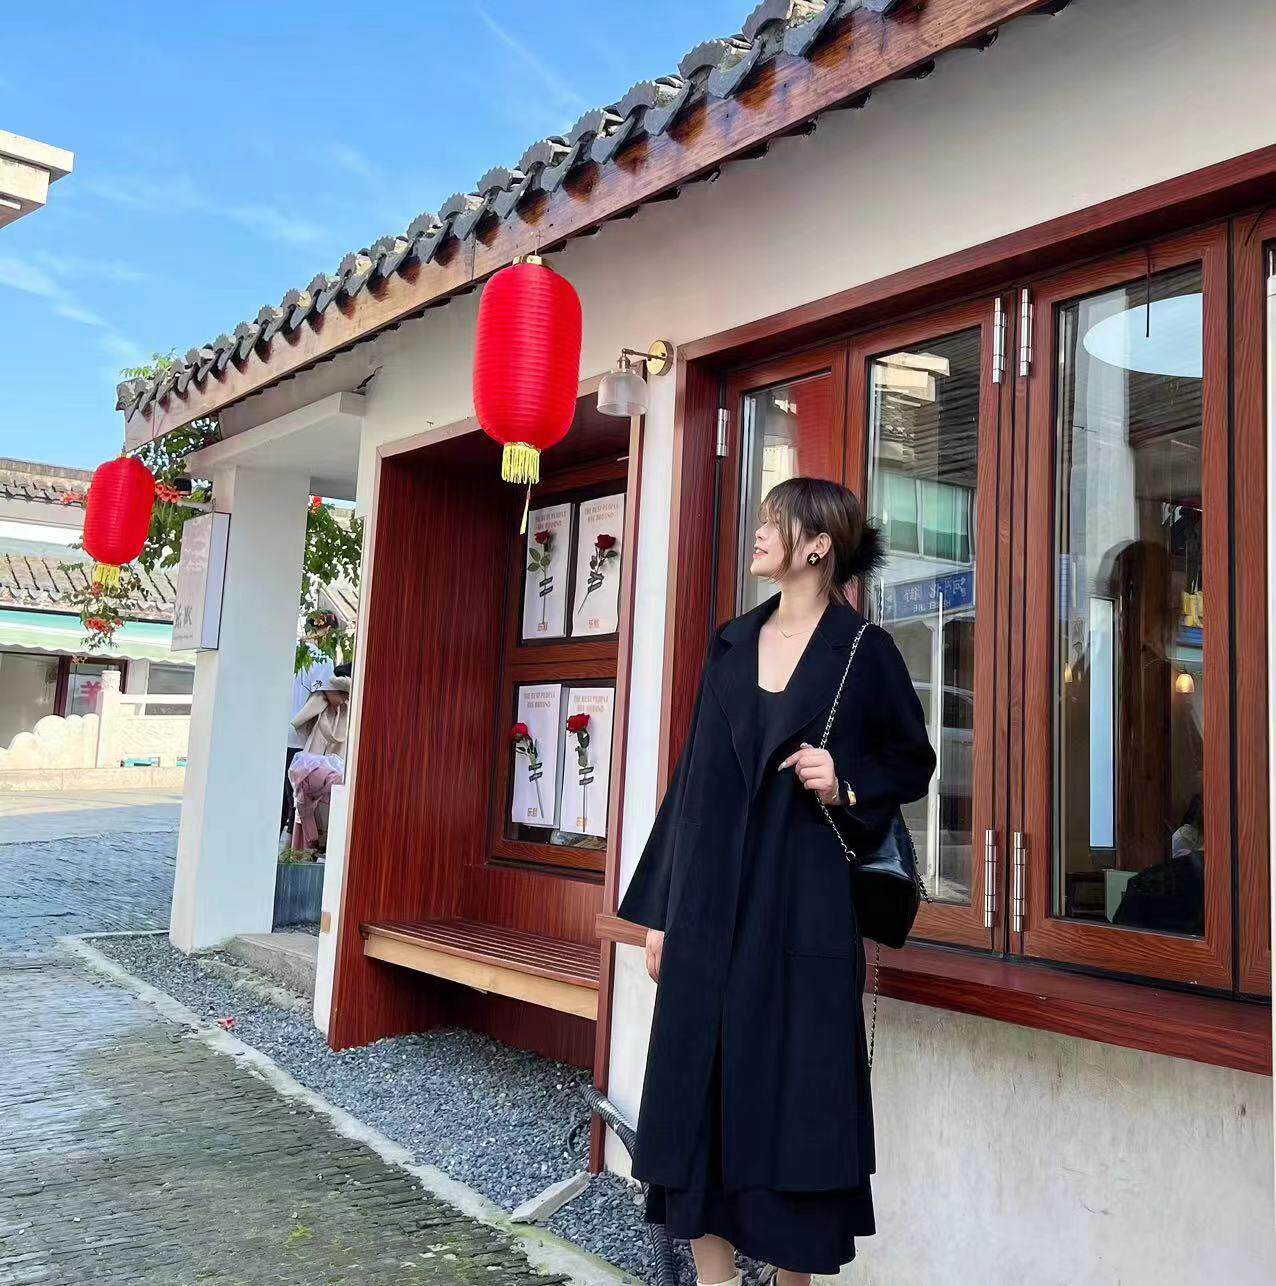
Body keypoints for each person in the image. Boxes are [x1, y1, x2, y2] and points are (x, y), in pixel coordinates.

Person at [619, 476, 936, 1285]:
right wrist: (661, 913)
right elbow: (692, 782)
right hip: (709, 909)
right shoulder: (730, 641)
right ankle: (717, 1280)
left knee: (801, 1111)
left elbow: (913, 761)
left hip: (803, 910)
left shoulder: (864, 651)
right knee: (694, 1098)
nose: (759, 535)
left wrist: (846, 780)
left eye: (775, 523)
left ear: (818, 546)